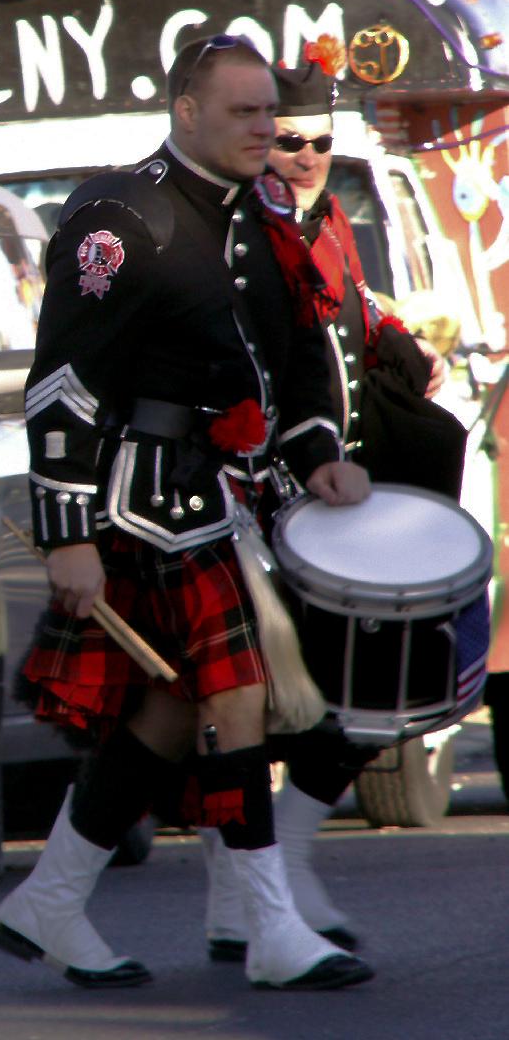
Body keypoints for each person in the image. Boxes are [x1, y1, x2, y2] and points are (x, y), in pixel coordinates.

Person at [0, 34, 375, 992]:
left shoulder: (256, 219)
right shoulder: (124, 213)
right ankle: (271, 928)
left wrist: (319, 454)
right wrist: (67, 533)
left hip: (223, 496)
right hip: (141, 502)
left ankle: (49, 901)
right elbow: (63, 384)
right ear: (185, 111)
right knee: (236, 694)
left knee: (168, 709)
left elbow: (286, 365)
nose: (265, 128)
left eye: (269, 112)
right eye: (243, 112)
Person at [199, 54, 462, 962]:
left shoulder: (329, 220)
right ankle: (252, 888)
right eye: (289, 139)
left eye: (320, 141)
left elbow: (348, 316)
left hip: (342, 492)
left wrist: (392, 336)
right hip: (269, 497)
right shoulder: (240, 228)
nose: (306, 156)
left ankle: (267, 877)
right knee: (264, 705)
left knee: (372, 685)